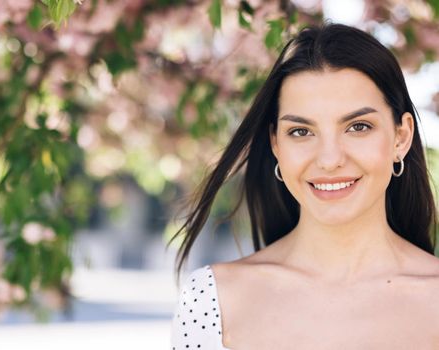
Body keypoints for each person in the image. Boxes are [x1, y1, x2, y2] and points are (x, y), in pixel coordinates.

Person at [168, 22, 439, 349]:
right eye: (301, 131)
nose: (329, 159)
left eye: (358, 127)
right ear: (276, 144)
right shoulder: (213, 300)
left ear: (402, 136)